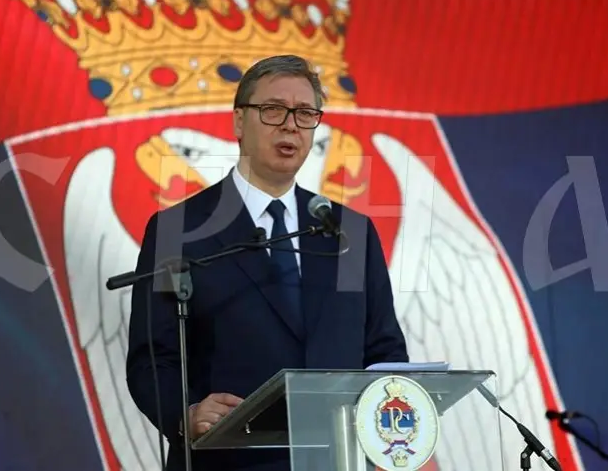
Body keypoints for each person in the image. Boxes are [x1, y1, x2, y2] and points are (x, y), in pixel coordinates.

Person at [126, 54, 409, 471]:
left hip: (337, 458)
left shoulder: (347, 232)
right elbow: (153, 357)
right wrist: (184, 414)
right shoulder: (180, 230)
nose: (291, 125)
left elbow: (383, 350)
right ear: (239, 122)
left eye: (305, 113)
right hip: (227, 460)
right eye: (274, 109)